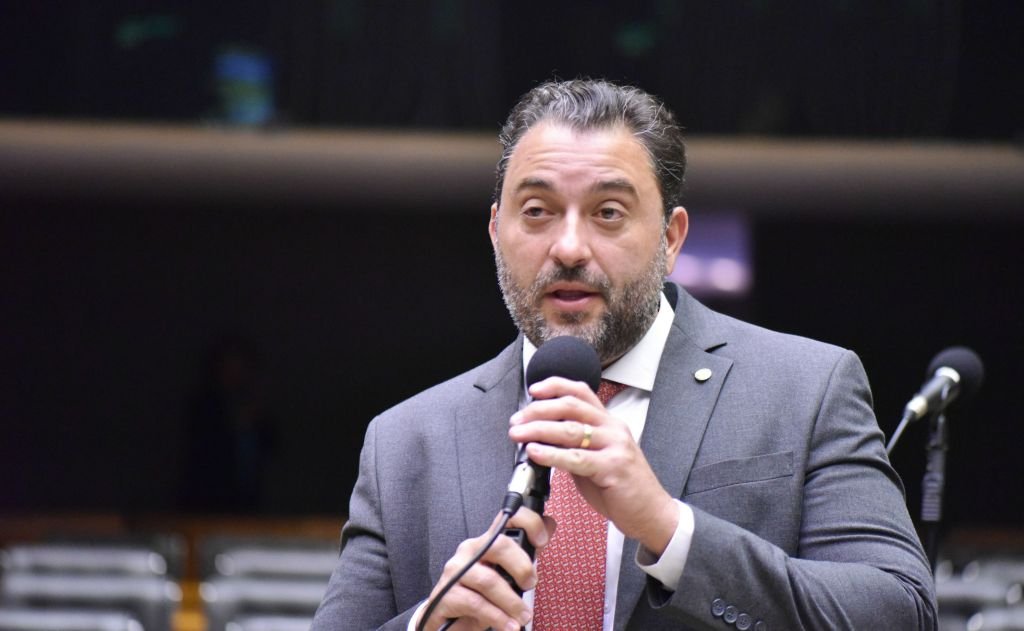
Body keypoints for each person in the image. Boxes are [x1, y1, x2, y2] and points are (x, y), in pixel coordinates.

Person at [311, 79, 936, 630]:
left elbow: (899, 611)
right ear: (497, 231)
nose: (569, 247)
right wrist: (430, 624)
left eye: (608, 213)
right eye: (537, 211)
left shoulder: (807, 389)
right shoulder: (404, 442)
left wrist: (668, 528)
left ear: (671, 238)